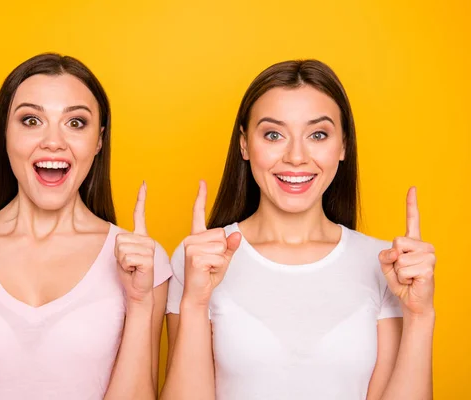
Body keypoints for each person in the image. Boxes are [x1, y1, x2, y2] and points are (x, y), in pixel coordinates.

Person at [0, 53, 172, 400]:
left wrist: (139, 303)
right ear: (5, 134)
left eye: (76, 123)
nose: (53, 141)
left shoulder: (142, 262)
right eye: (31, 120)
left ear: (99, 140)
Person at [162, 60, 435, 400]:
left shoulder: (384, 265)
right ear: (245, 145)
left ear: (343, 146)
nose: (296, 156)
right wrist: (195, 304)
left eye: (318, 134)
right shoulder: (201, 258)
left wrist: (420, 318)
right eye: (274, 134)